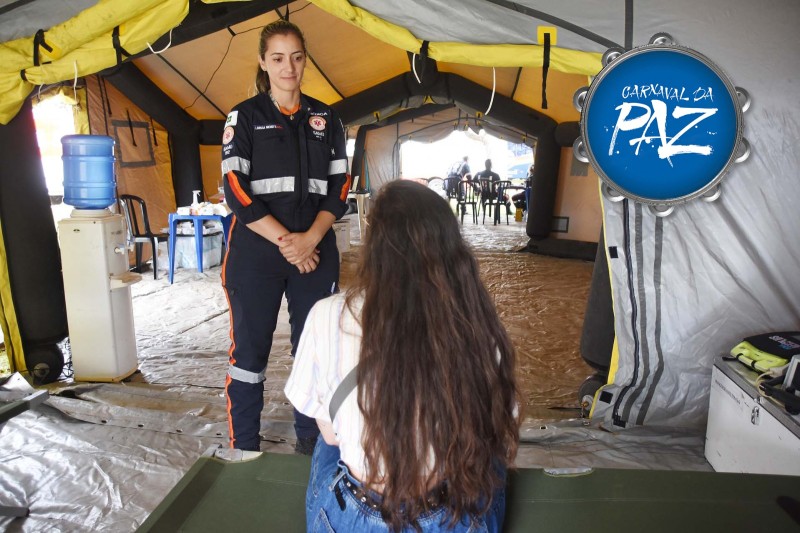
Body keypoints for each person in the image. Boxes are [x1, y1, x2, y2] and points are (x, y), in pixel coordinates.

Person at [285, 180, 520, 532]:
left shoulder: (327, 314)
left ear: (375, 247)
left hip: (352, 518)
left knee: (326, 440)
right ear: (451, 248)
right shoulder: (476, 322)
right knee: (490, 457)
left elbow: (333, 436)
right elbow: (499, 427)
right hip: (449, 515)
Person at [220, 20, 350, 454]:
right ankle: (246, 449)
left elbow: (340, 188)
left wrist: (310, 238)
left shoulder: (328, 119)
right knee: (249, 356)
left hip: (314, 250)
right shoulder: (244, 117)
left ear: (305, 60)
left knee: (315, 350)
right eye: (277, 58)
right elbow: (235, 190)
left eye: (295, 57)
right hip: (257, 254)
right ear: (263, 61)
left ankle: (312, 447)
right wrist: (290, 244)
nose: (288, 67)